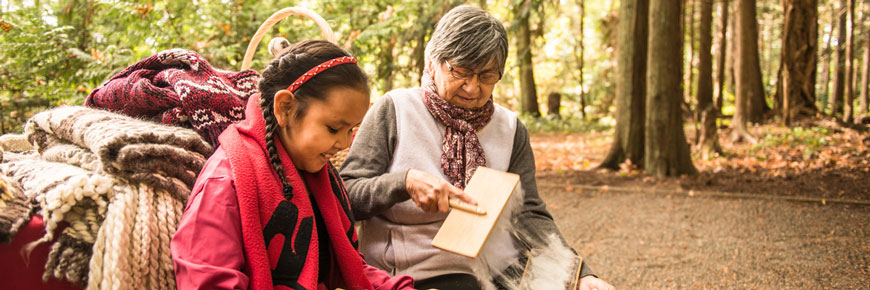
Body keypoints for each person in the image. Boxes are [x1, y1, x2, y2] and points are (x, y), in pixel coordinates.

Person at [339, 5, 615, 290]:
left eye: (486, 76)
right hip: (415, 272)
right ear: (432, 62)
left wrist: (580, 274)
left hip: (495, 268)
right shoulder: (396, 110)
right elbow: (346, 195)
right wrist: (403, 183)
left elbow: (528, 212)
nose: (472, 88)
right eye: (461, 72)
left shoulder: (510, 128)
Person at [171, 39, 415, 290]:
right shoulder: (226, 182)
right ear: (285, 108)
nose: (344, 143)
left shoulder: (320, 178)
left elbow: (351, 267)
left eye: (351, 130)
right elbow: (208, 280)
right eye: (333, 128)